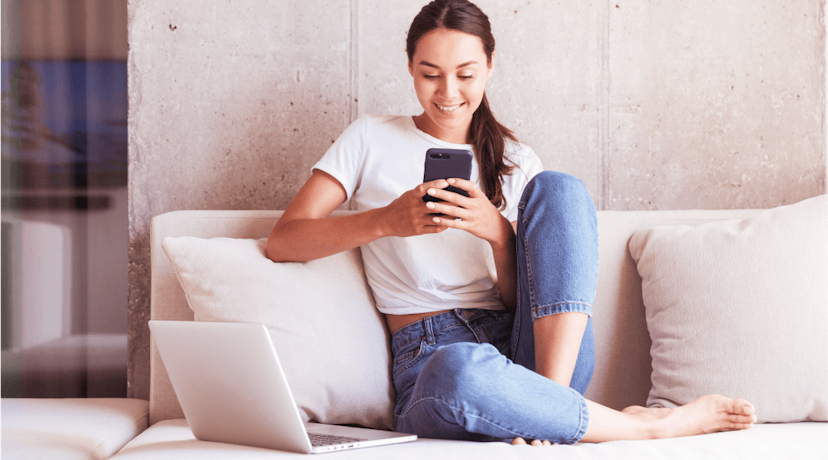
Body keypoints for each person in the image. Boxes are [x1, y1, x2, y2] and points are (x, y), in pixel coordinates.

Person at [267, 0, 756, 446]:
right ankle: (637, 424)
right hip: (434, 362)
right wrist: (387, 221)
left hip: (540, 358)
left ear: (490, 66)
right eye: (430, 74)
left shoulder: (518, 161)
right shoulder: (370, 137)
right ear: (410, 69)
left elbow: (530, 300)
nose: (448, 92)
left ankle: (545, 406)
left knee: (562, 188)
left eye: (466, 74)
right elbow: (284, 241)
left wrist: (498, 233)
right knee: (459, 368)